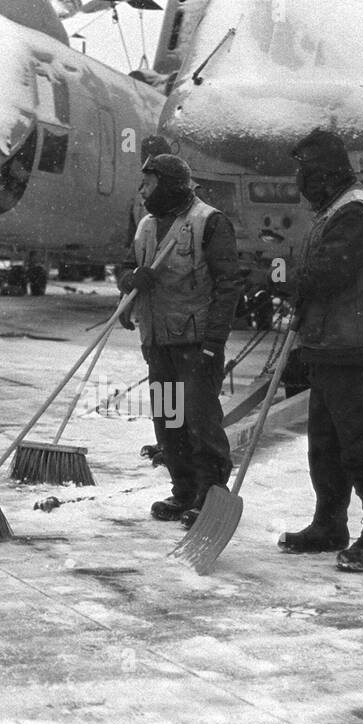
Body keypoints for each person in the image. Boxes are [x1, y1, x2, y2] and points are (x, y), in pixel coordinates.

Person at [279, 129, 363, 571]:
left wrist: (298, 282)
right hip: (327, 343)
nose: (300, 180)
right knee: (325, 446)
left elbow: (332, 270)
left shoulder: (355, 211)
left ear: (326, 172)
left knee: (362, 447)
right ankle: (329, 523)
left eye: (305, 170)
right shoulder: (334, 208)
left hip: (354, 343)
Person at [118, 153, 242, 526]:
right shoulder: (145, 227)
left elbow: (228, 285)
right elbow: (126, 266)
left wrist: (213, 341)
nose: (142, 191)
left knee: (200, 421)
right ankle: (184, 489)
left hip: (194, 342)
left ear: (169, 183)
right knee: (169, 420)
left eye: (148, 183)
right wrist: (131, 280)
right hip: (157, 342)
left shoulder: (209, 222)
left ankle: (210, 492)